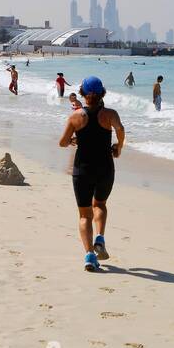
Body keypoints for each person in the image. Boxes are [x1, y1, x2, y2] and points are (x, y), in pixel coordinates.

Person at [58, 76, 124, 272]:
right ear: (102, 93)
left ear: (83, 94)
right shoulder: (110, 114)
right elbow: (120, 130)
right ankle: (100, 238)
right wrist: (118, 147)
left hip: (82, 170)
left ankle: (89, 255)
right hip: (105, 167)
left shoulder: (76, 117)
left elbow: (62, 142)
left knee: (84, 214)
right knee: (100, 204)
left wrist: (73, 141)